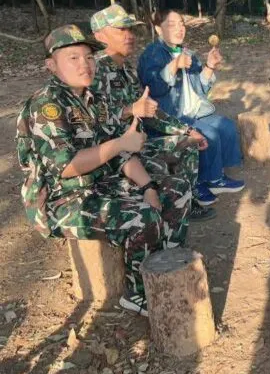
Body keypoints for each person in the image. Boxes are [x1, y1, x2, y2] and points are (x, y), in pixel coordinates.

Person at [16, 25, 194, 316]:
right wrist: (119, 144)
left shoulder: (94, 100)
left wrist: (149, 187)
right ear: (51, 65)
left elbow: (122, 152)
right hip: (64, 199)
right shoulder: (46, 106)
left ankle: (166, 264)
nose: (84, 64)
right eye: (73, 58)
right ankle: (138, 294)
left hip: (102, 183)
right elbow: (68, 166)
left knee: (175, 189)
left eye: (88, 57)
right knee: (143, 218)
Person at [89, 4, 215, 220]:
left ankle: (186, 201)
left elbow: (150, 110)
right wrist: (128, 111)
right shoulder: (92, 71)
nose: (129, 35)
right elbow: (90, 120)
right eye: (121, 30)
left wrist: (186, 130)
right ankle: (164, 207)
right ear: (99, 36)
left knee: (188, 143)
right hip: (112, 155)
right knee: (162, 166)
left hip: (137, 144)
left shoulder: (126, 69)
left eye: (131, 29)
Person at [137, 10, 245, 205]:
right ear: (158, 29)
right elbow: (153, 87)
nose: (179, 29)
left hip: (194, 112)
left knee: (227, 126)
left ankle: (216, 175)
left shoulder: (188, 53)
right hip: (171, 116)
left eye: (182, 24)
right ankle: (202, 181)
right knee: (209, 134)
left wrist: (209, 66)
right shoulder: (152, 54)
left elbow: (200, 89)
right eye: (172, 24)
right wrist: (173, 66)